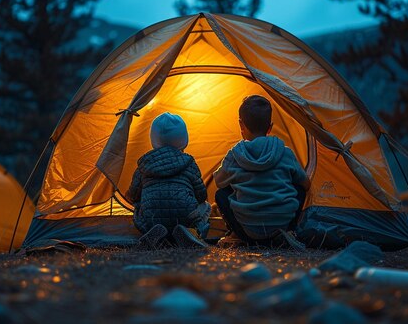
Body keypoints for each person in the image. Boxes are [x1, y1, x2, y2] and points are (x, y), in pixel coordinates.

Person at [213, 95, 310, 249]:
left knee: (220, 194)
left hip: (248, 231)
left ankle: (239, 236)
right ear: (270, 127)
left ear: (241, 125)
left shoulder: (235, 155)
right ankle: (289, 233)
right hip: (281, 227)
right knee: (299, 189)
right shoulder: (285, 153)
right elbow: (305, 183)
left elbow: (218, 181)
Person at [126, 112, 210, 249]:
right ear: (184, 140)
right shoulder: (189, 162)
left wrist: (137, 200)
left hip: (152, 217)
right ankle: (194, 232)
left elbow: (133, 195)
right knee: (206, 206)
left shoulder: (144, 164)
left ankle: (151, 233)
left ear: (153, 140)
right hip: (185, 216)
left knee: (138, 205)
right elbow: (201, 195)